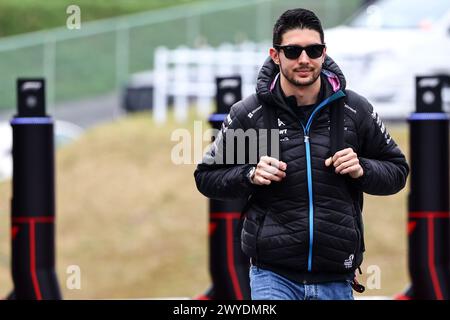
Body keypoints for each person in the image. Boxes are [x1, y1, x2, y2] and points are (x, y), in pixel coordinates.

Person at [194, 8, 409, 300]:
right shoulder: (250, 114)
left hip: (337, 275)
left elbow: (397, 172)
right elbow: (207, 178)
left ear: (324, 52)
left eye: (314, 50)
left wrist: (363, 170)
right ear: (275, 54)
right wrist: (249, 174)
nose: (304, 60)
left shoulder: (355, 110)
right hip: (273, 275)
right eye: (293, 51)